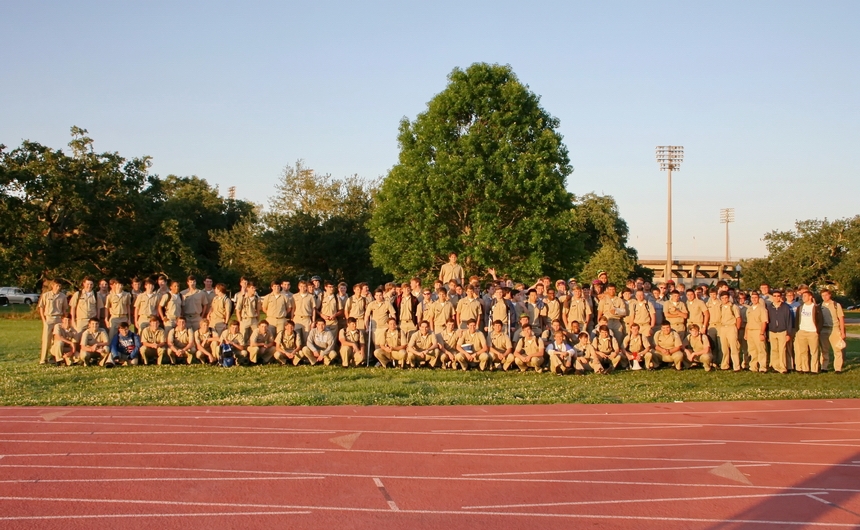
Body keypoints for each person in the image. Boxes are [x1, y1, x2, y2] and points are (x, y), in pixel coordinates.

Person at [38, 280, 68, 364]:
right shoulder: (46, 295)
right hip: (49, 318)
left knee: (57, 340)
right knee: (46, 339)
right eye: (57, 286)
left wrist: (64, 321)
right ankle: (43, 359)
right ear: (52, 286)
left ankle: (54, 357)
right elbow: (41, 308)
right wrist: (44, 320)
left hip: (58, 319)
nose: (58, 287)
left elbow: (65, 310)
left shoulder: (63, 296)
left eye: (59, 286)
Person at [793, 291, 821, 374]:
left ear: (810, 297)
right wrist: (798, 330)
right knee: (803, 352)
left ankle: (814, 369)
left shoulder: (816, 307)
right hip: (802, 331)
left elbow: (820, 320)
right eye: (802, 296)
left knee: (814, 352)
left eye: (805, 296)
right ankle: (805, 369)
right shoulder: (800, 307)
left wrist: (817, 330)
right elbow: (797, 319)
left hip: (812, 332)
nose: (803, 298)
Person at [819, 289, 846, 373]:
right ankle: (824, 367)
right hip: (823, 329)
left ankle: (838, 368)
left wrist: (842, 331)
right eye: (823, 295)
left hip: (834, 328)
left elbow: (841, 318)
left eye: (826, 295)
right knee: (824, 350)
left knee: (837, 349)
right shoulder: (820, 305)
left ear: (830, 295)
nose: (824, 297)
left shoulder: (836, 305)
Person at [717, 292, 742, 371]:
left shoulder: (733, 306)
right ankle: (725, 365)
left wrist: (736, 329)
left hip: (731, 327)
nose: (724, 299)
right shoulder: (720, 306)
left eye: (726, 298)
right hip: (723, 328)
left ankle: (736, 366)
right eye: (723, 298)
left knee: (734, 348)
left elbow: (738, 318)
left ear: (728, 298)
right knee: (724, 348)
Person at [745, 292, 769, 373]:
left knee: (761, 350)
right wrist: (746, 333)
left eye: (755, 297)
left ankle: (762, 367)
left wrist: (762, 333)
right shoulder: (749, 309)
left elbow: (764, 322)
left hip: (758, 330)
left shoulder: (762, 309)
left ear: (758, 298)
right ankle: (753, 366)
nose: (754, 299)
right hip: (750, 331)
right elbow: (748, 322)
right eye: (752, 298)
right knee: (752, 350)